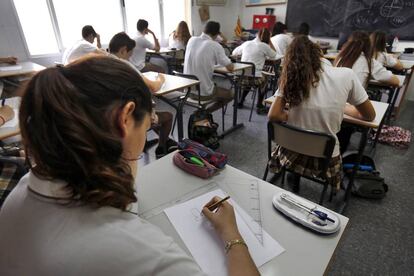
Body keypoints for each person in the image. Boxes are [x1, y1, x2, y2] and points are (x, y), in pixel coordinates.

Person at [0, 56, 259, 276]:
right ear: (125, 118)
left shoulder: (22, 191)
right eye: (146, 127)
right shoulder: (145, 255)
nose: (144, 137)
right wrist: (230, 233)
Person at [268, 36, 375, 191]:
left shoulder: (291, 77)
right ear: (320, 53)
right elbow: (369, 116)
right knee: (341, 132)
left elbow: (274, 115)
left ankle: (293, 175)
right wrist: (342, 107)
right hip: (325, 161)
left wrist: (292, 114)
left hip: (289, 153)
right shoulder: (346, 75)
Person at [109, 32, 177, 158]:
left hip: (111, 114)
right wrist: (161, 79)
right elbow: (153, 87)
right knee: (168, 116)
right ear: (123, 50)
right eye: (129, 55)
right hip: (131, 116)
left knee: (154, 112)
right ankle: (161, 147)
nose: (129, 58)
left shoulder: (103, 61)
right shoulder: (124, 65)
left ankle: (165, 139)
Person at [184, 21, 234, 112]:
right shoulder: (215, 45)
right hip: (203, 93)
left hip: (187, 90)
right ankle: (206, 112)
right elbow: (230, 67)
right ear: (217, 34)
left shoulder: (191, 40)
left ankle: (201, 113)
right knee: (230, 94)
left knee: (206, 82)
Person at [232, 28, 277, 113]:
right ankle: (259, 105)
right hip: (254, 79)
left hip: (240, 77)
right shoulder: (264, 46)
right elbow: (274, 55)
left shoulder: (247, 43)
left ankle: (240, 101)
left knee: (250, 75)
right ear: (268, 38)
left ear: (257, 35)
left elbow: (234, 53)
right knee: (265, 77)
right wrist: (270, 42)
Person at [334, 31, 400, 88]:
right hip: (353, 100)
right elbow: (396, 81)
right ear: (368, 46)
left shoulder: (340, 58)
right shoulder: (370, 62)